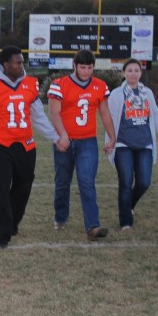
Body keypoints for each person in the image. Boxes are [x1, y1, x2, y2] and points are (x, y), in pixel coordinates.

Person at [0, 46, 63, 249]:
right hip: (1, 145)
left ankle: (12, 222)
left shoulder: (30, 84)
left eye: (22, 62)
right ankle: (2, 235)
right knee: (1, 188)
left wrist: (55, 137)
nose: (22, 65)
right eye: (18, 62)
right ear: (5, 65)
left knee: (23, 187)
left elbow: (38, 117)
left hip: (26, 145)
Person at [47, 49, 116, 240]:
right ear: (74, 66)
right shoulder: (59, 84)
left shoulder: (100, 86)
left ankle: (93, 226)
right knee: (62, 182)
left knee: (87, 182)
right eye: (82, 67)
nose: (86, 71)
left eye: (89, 67)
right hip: (64, 140)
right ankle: (60, 217)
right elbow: (54, 113)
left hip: (87, 141)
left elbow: (105, 113)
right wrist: (62, 135)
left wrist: (112, 137)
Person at [104, 58, 158, 232]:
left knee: (144, 182)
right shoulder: (117, 94)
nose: (133, 74)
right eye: (129, 70)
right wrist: (110, 141)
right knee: (125, 182)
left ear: (141, 73)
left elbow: (155, 116)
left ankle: (129, 205)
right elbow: (110, 120)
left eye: (136, 70)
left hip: (144, 144)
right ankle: (125, 221)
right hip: (123, 144)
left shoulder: (147, 93)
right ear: (123, 73)